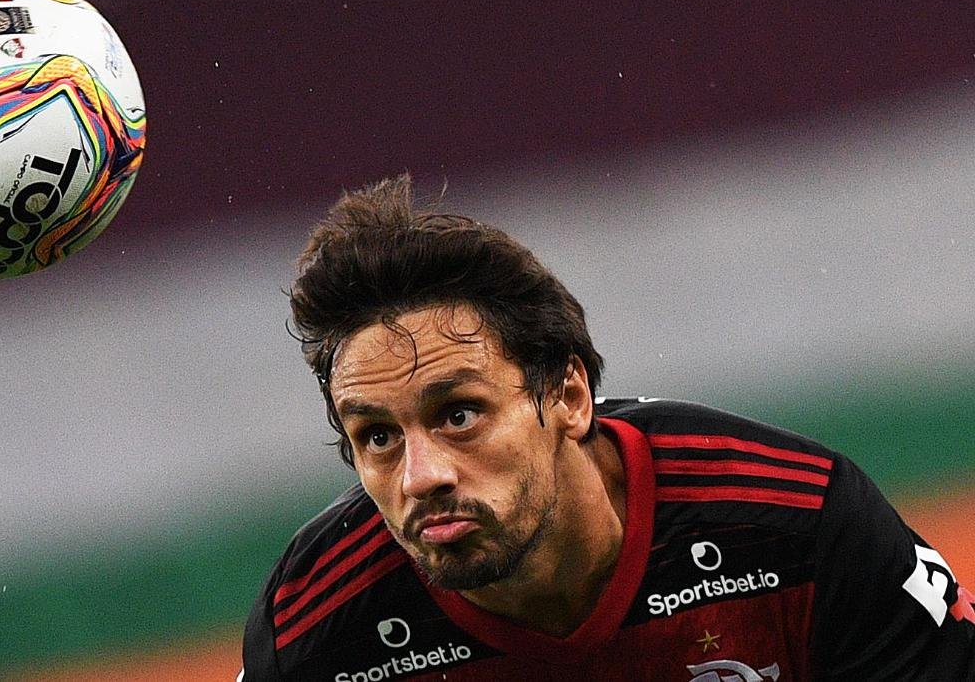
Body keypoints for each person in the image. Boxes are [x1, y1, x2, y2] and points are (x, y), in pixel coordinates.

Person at [241, 175, 975, 681]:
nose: (421, 475)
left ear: (567, 394)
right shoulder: (313, 634)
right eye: (378, 436)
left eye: (459, 414)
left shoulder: (800, 527)